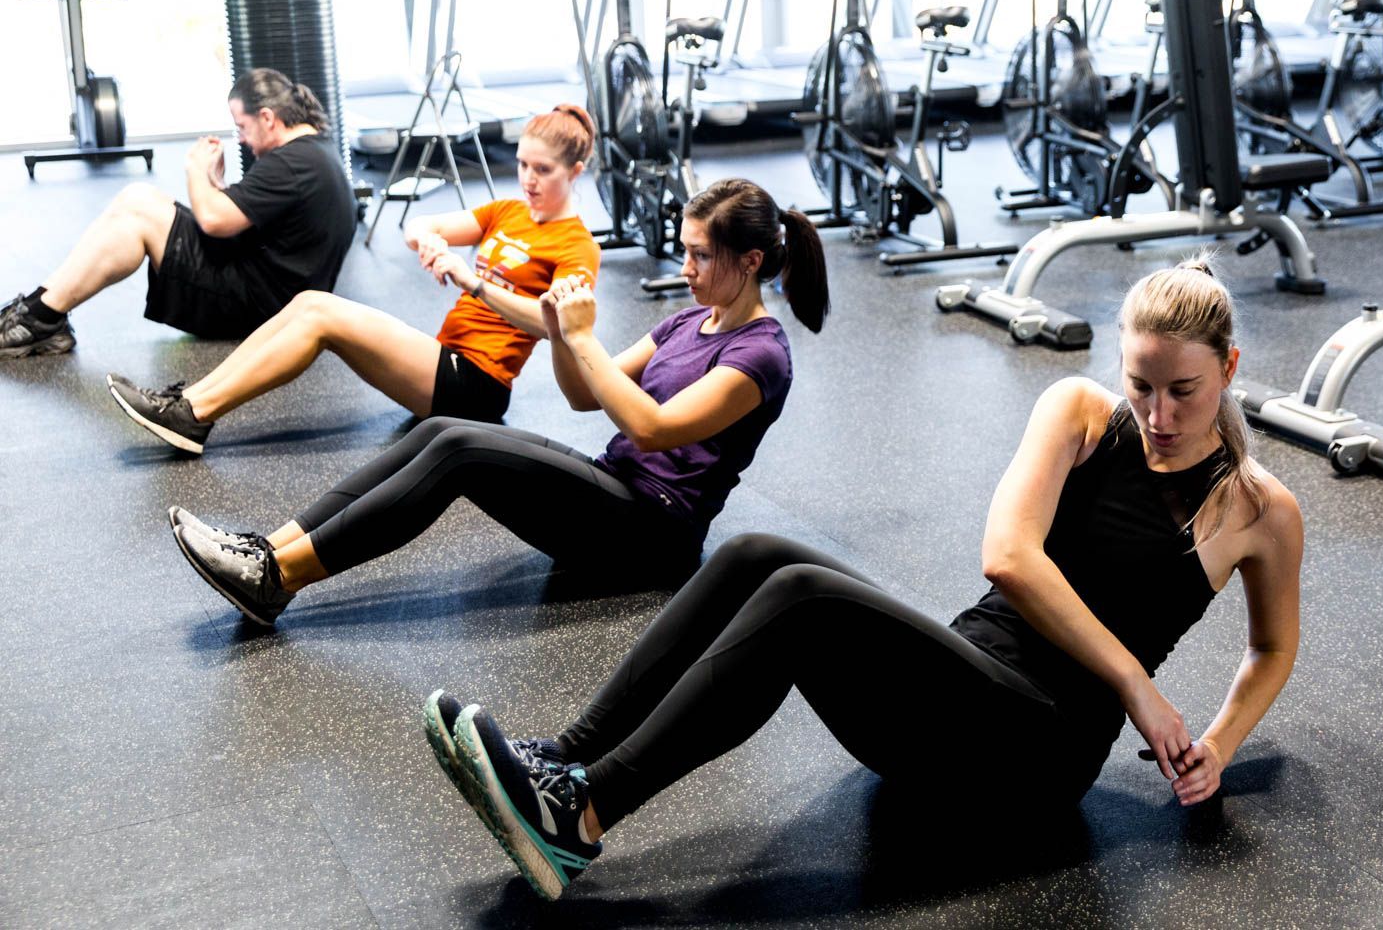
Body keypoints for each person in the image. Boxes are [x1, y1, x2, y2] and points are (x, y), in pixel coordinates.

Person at [419, 259, 1305, 902]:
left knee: (801, 599)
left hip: (1037, 756)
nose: (1156, 414)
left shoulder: (1261, 511)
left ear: (1226, 369)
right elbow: (1009, 557)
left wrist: (1218, 746)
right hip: (963, 687)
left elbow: (1271, 647)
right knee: (755, 553)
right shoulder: (1079, 413)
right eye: (1140, 383)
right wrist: (1143, 686)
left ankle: (580, 818)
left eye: (1182, 391)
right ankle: (562, 758)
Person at [168, 177, 830, 625]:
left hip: (654, 536)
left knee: (460, 449)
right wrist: (563, 335)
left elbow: (653, 428)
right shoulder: (690, 321)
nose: (686, 269)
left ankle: (278, 579)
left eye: (701, 256)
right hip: (615, 487)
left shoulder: (760, 354)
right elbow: (580, 396)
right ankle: (272, 548)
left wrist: (581, 336)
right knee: (443, 431)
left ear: (750, 261)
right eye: (684, 252)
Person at [102, 106, 601, 454]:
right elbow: (417, 224)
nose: (528, 179)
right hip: (444, 360)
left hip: (478, 385)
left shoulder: (578, 245)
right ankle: (190, 406)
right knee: (308, 302)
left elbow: (554, 323)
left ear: (575, 171)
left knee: (320, 312)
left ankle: (193, 414)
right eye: (521, 165)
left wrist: (474, 284)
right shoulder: (508, 211)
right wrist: (428, 239)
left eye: (543, 170)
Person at [0, 68, 356, 359]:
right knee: (136, 203)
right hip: (261, 291)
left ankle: (39, 317)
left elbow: (215, 221)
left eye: (242, 128)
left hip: (258, 310)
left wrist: (195, 169)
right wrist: (216, 182)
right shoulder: (314, 153)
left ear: (267, 118)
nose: (242, 139)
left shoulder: (293, 162)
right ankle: (41, 310)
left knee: (138, 208)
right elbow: (243, 220)